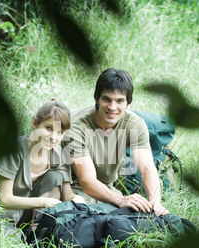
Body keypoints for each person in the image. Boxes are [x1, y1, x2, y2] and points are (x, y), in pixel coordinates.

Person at [63, 68, 169, 216]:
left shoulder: (135, 124)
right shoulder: (76, 125)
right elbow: (86, 180)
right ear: (97, 99)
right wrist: (120, 200)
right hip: (74, 190)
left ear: (128, 103)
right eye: (107, 99)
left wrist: (155, 203)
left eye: (119, 101)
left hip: (108, 189)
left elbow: (146, 168)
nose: (112, 107)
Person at [0, 99, 85, 234]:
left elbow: (67, 194)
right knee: (15, 241)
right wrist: (41, 202)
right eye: (48, 128)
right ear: (35, 124)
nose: (53, 137)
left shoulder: (58, 153)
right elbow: (5, 199)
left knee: (55, 176)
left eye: (59, 132)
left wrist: (76, 200)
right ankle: (22, 234)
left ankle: (36, 231)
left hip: (24, 214)